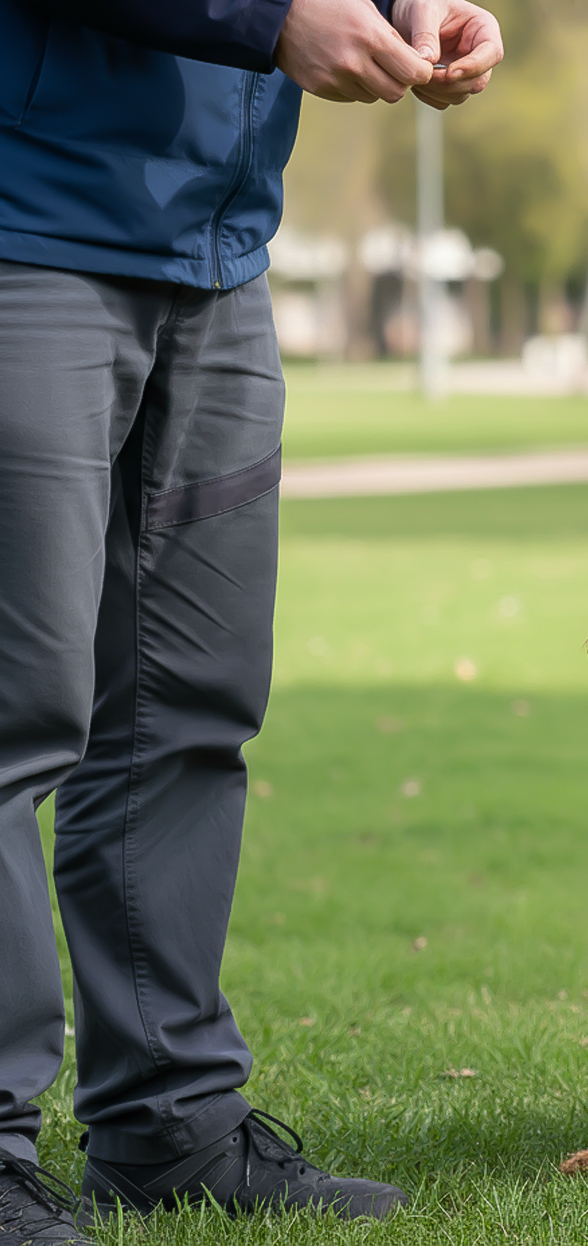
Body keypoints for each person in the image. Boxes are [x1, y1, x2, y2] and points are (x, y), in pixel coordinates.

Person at [0, 1, 502, 1241]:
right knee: (15, 716)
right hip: (29, 233)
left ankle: (167, 1122)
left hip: (216, 256)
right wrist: (268, 18)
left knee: (188, 708)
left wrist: (408, 10)